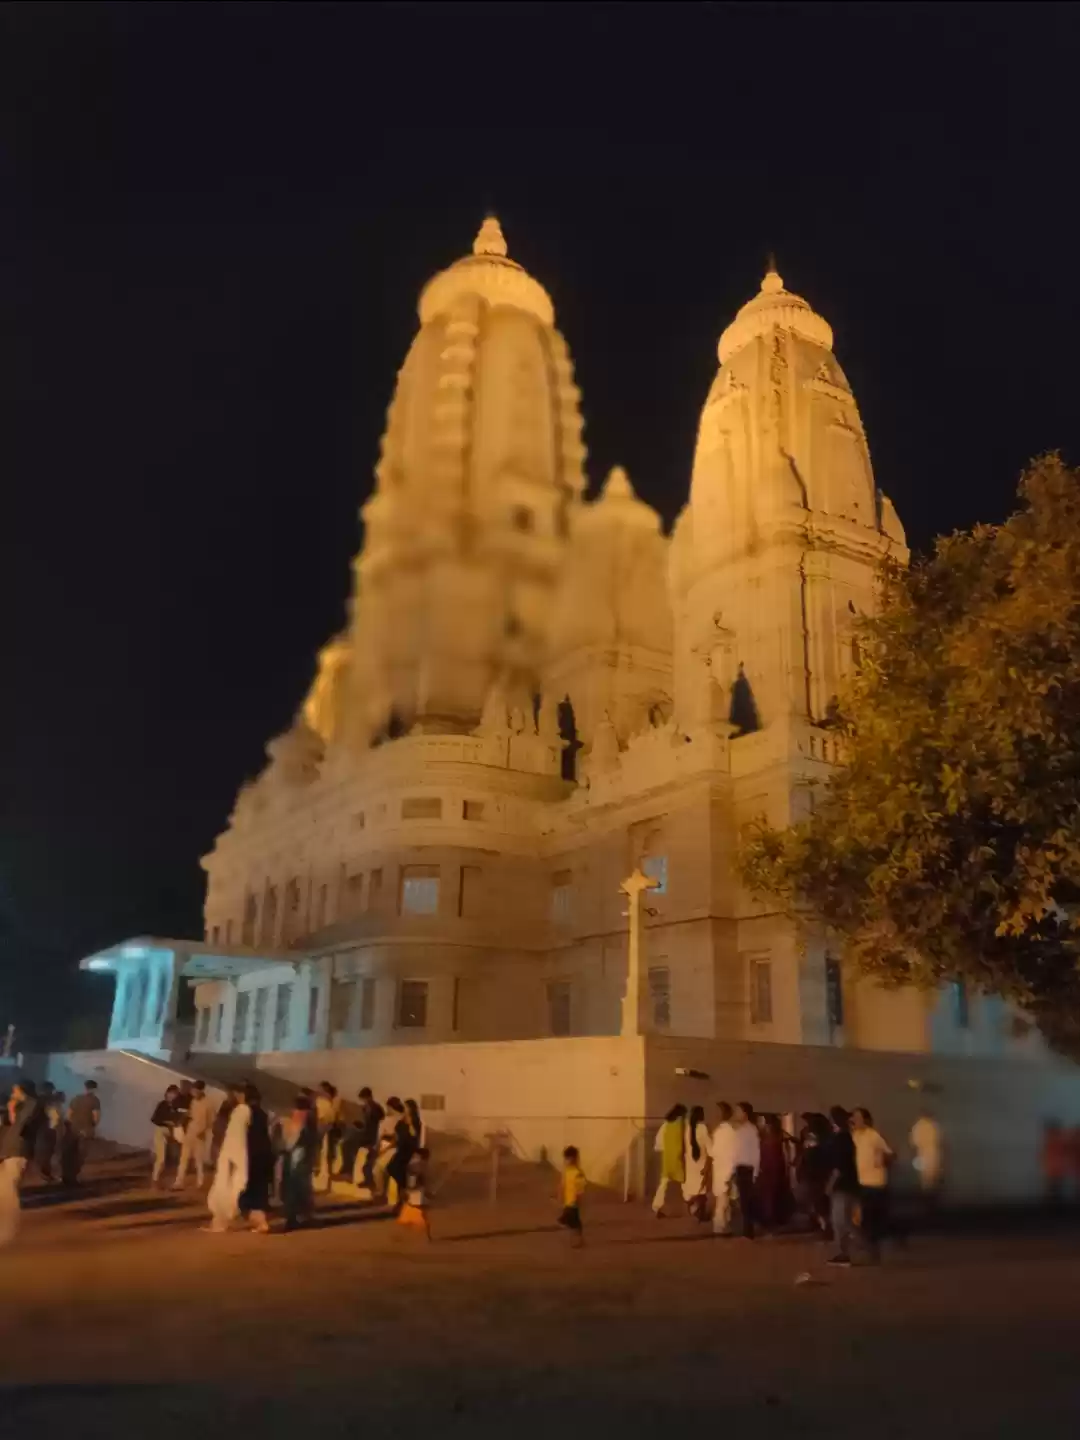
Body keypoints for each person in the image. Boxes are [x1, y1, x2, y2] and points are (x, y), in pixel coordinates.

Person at [0, 1080, 42, 1248]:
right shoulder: (24, 1105)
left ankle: (8, 1233)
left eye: (15, 1090)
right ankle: (6, 1230)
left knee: (9, 1191)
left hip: (18, 1151)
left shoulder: (32, 1105)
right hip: (11, 1151)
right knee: (5, 1190)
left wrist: (11, 1108)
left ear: (22, 1091)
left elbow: (20, 1126)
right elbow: (13, 1123)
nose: (12, 1094)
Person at [851, 1106, 894, 1260]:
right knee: (861, 1218)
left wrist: (882, 1159)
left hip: (875, 1183)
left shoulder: (873, 1136)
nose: (854, 1120)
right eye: (853, 1117)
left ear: (866, 1120)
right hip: (861, 1182)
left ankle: (873, 1250)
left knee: (869, 1219)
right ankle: (870, 1247)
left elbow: (890, 1154)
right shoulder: (855, 1136)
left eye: (858, 1117)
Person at [822, 1106, 860, 1266]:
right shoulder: (845, 1137)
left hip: (842, 1186)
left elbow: (839, 1166)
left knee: (840, 1221)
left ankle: (849, 1252)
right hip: (847, 1185)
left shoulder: (841, 1139)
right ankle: (857, 1249)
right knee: (843, 1221)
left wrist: (830, 1184)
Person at [278, 1094, 317, 1232]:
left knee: (293, 1186)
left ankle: (293, 1217)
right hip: (302, 1155)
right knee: (302, 1187)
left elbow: (292, 1137)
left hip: (296, 1155)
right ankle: (303, 1216)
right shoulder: (309, 1116)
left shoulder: (299, 1116)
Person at [755, 1113, 795, 1232]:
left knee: (768, 1193)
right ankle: (775, 1217)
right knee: (774, 1192)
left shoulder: (764, 1135)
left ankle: (770, 1218)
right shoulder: (778, 1134)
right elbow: (788, 1148)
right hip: (776, 1166)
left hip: (769, 1167)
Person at [795, 1112, 832, 1235]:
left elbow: (808, 1154)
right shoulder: (826, 1135)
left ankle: (823, 1225)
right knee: (817, 1200)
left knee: (814, 1200)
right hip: (819, 1174)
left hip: (812, 1174)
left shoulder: (813, 1136)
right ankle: (821, 1224)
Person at [174, 1080, 214, 1189]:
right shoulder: (193, 1101)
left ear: (201, 1091)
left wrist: (204, 1130)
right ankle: (179, 1181)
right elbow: (191, 1114)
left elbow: (211, 1121)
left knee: (199, 1159)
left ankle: (200, 1182)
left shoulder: (209, 1103)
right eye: (193, 1090)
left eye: (195, 1090)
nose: (193, 1093)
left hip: (200, 1135)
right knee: (184, 1157)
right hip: (190, 1132)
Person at [730, 1102, 760, 1239]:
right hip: (740, 1168)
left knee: (748, 1201)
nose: (736, 1114)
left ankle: (749, 1231)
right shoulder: (739, 1130)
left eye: (738, 1111)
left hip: (748, 1169)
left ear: (745, 1114)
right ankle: (746, 1229)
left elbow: (756, 1152)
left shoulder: (751, 1130)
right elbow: (736, 1151)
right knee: (743, 1201)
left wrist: (755, 1172)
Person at [651, 1103, 687, 1218]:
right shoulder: (682, 1125)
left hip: (667, 1158)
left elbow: (658, 1144)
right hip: (679, 1158)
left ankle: (657, 1205)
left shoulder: (666, 1125)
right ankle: (692, 1205)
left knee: (664, 1183)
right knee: (685, 1182)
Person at [62, 1080, 101, 1186]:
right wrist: (92, 1127)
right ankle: (74, 1176)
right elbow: (96, 1117)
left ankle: (66, 1175)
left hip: (73, 1129)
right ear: (95, 1089)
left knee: (70, 1153)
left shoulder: (76, 1098)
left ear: (85, 1087)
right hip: (86, 1131)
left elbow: (69, 1115)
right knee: (81, 1154)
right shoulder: (95, 1101)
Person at [909, 1108, 944, 1213]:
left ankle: (925, 1203)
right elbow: (940, 1141)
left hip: (922, 1156)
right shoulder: (934, 1125)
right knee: (933, 1179)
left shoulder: (917, 1127)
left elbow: (913, 1143)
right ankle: (931, 1203)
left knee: (924, 1180)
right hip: (933, 1155)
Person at [350, 1087, 384, 1192]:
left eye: (364, 1098)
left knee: (369, 1161)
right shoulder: (366, 1108)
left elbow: (379, 1123)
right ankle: (367, 1180)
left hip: (373, 1136)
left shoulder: (376, 1108)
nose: (364, 1101)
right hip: (367, 1135)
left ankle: (370, 1182)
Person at [385, 1098, 417, 1210]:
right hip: (401, 1148)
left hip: (408, 1149)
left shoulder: (414, 1120)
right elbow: (397, 1131)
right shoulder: (402, 1119)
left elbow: (414, 1135)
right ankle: (403, 1192)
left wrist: (410, 1123)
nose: (405, 1109)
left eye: (407, 1107)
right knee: (391, 1168)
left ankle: (401, 1198)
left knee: (399, 1168)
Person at [711, 1101, 737, 1235]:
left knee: (723, 1200)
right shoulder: (722, 1131)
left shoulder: (728, 1132)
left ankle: (720, 1226)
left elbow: (732, 1153)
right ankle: (724, 1225)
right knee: (724, 1199)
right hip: (722, 1169)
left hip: (725, 1170)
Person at [150, 1085, 184, 1187]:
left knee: (173, 1157)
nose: (172, 1096)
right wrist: (168, 1122)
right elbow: (155, 1119)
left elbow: (180, 1119)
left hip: (173, 1133)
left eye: (175, 1094)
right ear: (167, 1093)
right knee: (161, 1158)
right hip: (161, 1131)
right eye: (171, 1093)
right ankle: (155, 1179)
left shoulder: (177, 1106)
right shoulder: (162, 1105)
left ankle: (164, 1177)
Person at [682, 1105, 712, 1221]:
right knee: (702, 1191)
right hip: (701, 1163)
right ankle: (699, 1211)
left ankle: (693, 1207)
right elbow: (710, 1148)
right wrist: (708, 1166)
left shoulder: (687, 1128)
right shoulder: (703, 1128)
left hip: (690, 1164)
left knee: (691, 1188)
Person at [397, 1146, 432, 1240]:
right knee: (420, 1214)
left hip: (416, 1191)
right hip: (417, 1191)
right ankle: (427, 1235)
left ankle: (425, 1235)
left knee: (416, 1213)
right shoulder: (420, 1164)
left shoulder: (416, 1164)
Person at [314, 1081, 345, 1190]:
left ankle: (327, 1184)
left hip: (325, 1131)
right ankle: (327, 1184)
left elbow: (331, 1118)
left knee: (327, 1157)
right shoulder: (326, 1103)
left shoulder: (324, 1103)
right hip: (327, 1131)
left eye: (320, 1090)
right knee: (327, 1158)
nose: (318, 1092)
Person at [373, 1097, 405, 1200]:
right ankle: (382, 1193)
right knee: (382, 1168)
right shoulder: (402, 1118)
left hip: (392, 1149)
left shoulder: (390, 1121)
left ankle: (381, 1193)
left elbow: (388, 1138)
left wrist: (381, 1149)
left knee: (378, 1169)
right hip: (395, 1148)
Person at [557, 1144, 586, 1248]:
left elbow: (580, 1188)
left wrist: (578, 1200)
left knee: (567, 1220)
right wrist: (560, 1196)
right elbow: (562, 1184)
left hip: (573, 1202)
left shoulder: (578, 1173)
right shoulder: (566, 1171)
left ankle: (578, 1240)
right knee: (575, 1222)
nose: (567, 1161)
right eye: (566, 1159)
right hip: (567, 1201)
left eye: (569, 1158)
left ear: (574, 1159)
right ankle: (578, 1239)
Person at [34, 1082, 62, 1182]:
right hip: (47, 1130)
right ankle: (46, 1174)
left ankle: (44, 1173)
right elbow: (55, 1117)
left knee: (42, 1153)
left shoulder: (36, 1100)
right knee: (48, 1153)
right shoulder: (49, 1101)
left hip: (38, 1130)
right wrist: (54, 1129)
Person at [1042, 1120, 1069, 1206]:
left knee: (1055, 1187)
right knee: (1055, 1187)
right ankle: (1054, 1205)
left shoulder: (1053, 1140)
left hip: (1055, 1168)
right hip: (1055, 1168)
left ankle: (1053, 1205)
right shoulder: (1056, 1140)